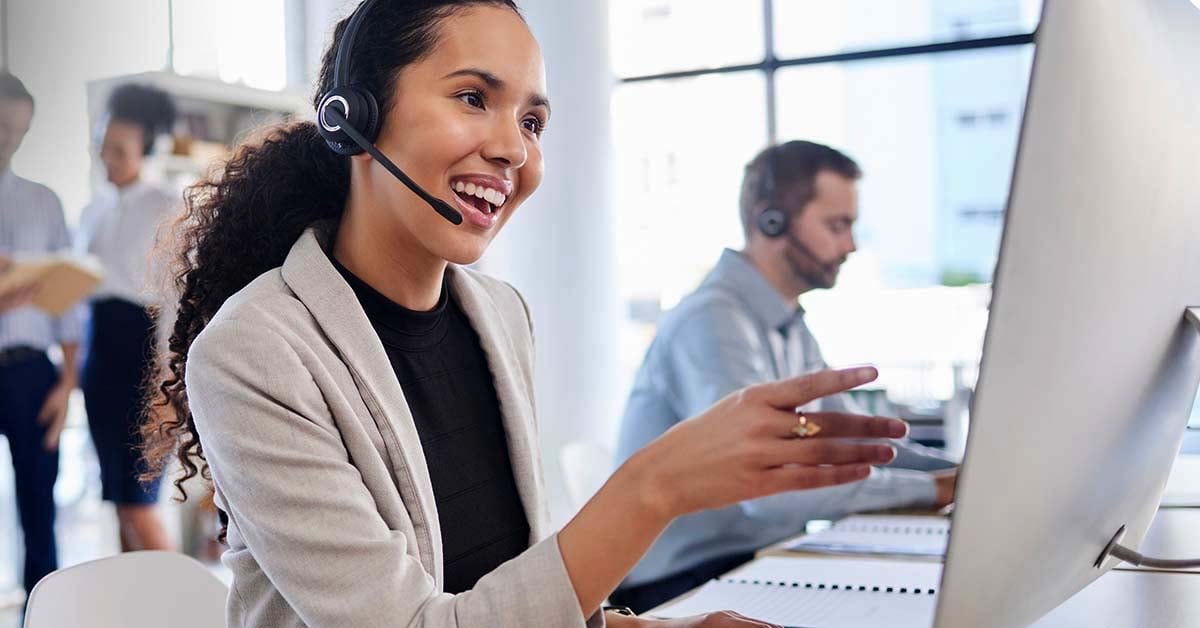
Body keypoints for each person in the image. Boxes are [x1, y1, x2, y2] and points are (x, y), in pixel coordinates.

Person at [142, 3, 910, 627]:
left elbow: (501, 588)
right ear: (355, 118)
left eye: (533, 121)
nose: (513, 149)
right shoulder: (254, 351)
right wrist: (654, 488)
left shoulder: (498, 315)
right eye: (474, 98)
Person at [611, 141, 959, 613]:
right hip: (683, 584)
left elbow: (857, 443)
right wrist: (933, 491)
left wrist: (962, 473)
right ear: (770, 221)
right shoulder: (712, 322)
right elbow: (766, 489)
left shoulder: (790, 324)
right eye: (837, 226)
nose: (851, 245)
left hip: (754, 561)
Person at [77, 83, 179, 552]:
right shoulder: (93, 208)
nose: (108, 158)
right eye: (103, 146)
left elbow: (173, 300)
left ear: (147, 148)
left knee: (140, 503)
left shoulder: (165, 204)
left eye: (120, 150)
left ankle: (186, 611)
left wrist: (165, 384)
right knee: (118, 502)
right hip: (99, 358)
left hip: (142, 360)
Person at [0, 72, 85, 596]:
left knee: (39, 509)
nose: (9, 138)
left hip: (34, 371)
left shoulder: (45, 202)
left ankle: (41, 609)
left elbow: (66, 304)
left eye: (18, 130)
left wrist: (66, 382)